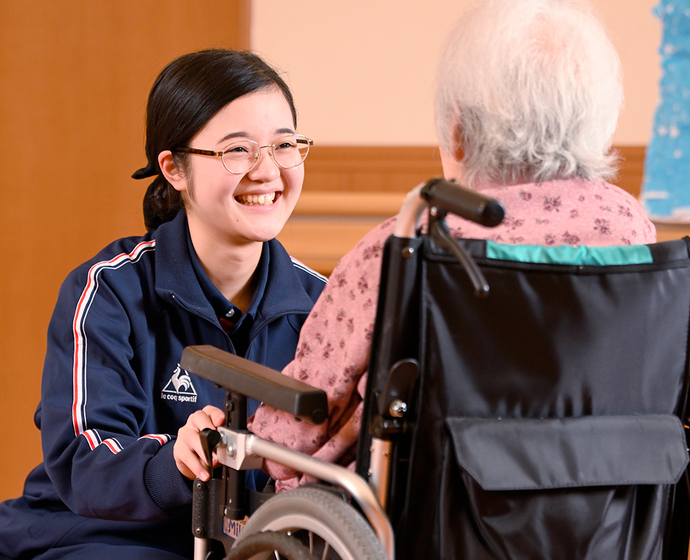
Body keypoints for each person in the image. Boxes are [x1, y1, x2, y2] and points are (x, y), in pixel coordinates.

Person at [249, 0, 657, 492]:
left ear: (458, 133)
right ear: (598, 121)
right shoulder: (631, 231)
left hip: (428, 514)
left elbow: (301, 427)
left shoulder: (405, 245)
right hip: (597, 509)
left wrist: (250, 433)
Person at [0, 49, 326, 560]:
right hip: (99, 534)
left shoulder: (321, 306)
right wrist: (175, 461)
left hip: (245, 542)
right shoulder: (107, 289)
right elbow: (82, 458)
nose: (267, 171)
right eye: (238, 151)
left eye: (283, 145)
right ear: (174, 169)